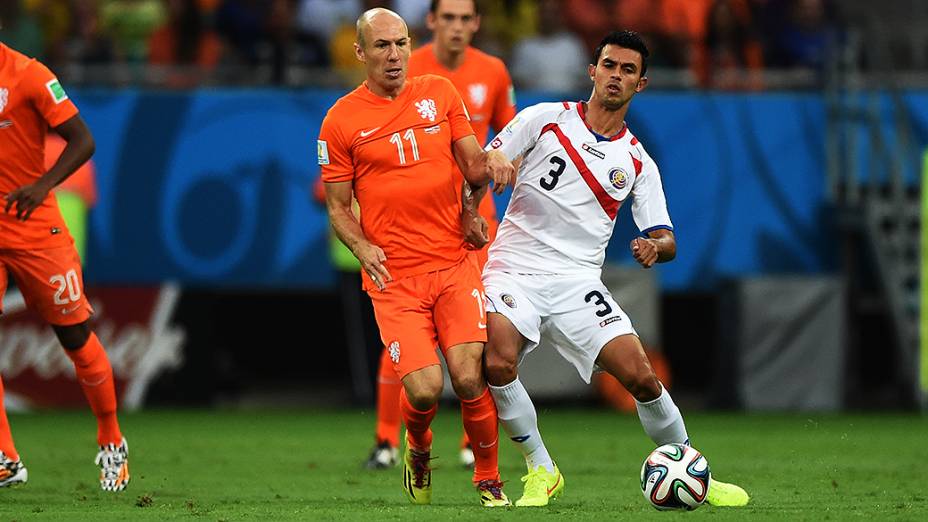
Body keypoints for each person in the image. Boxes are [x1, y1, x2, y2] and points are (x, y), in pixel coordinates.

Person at [480, 30, 751, 508]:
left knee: (642, 377)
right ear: (593, 70)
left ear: (640, 84)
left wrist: (655, 246)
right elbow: (491, 155)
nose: (616, 75)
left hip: (577, 281)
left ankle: (692, 469)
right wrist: (498, 159)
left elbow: (666, 237)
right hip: (513, 267)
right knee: (498, 361)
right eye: (609, 65)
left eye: (628, 70)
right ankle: (541, 469)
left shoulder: (638, 162)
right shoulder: (544, 119)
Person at [316, 8, 513, 507]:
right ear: (359, 52)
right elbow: (338, 207)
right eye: (382, 46)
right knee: (425, 389)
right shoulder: (340, 119)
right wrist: (362, 247)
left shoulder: (440, 94)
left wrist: (478, 192)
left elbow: (471, 166)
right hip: (395, 276)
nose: (394, 55)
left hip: (453, 261)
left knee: (471, 375)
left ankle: (488, 480)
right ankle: (417, 450)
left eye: (401, 43)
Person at [363, 0, 517, 471]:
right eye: (446, 17)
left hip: (474, 230)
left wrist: (495, 169)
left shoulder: (492, 71)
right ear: (430, 23)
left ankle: (473, 445)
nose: (455, 26)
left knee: (475, 341)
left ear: (475, 24)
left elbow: (509, 135)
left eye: (463, 18)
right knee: (410, 349)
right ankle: (387, 440)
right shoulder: (407, 68)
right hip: (414, 234)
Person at [0, 38, 129, 492]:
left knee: (73, 333)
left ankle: (111, 439)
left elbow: (83, 140)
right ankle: (6, 457)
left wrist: (42, 184)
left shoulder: (30, 74)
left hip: (32, 221)